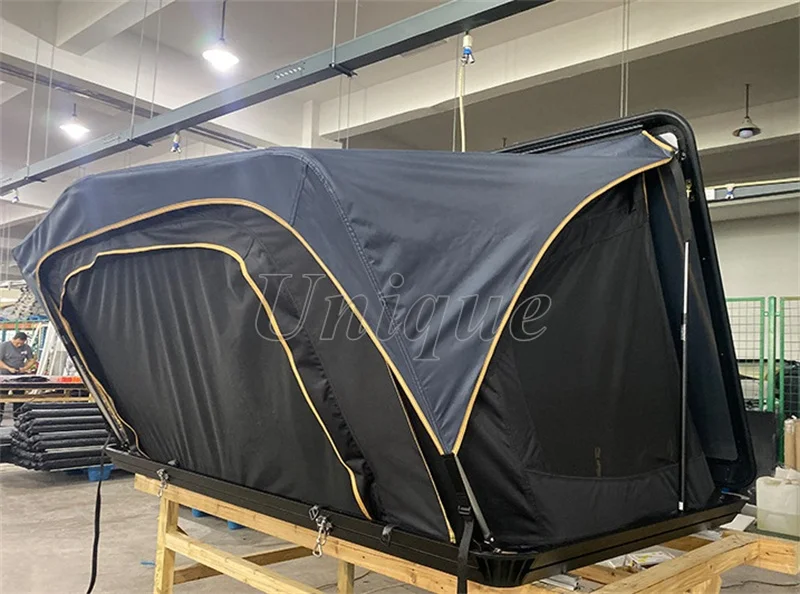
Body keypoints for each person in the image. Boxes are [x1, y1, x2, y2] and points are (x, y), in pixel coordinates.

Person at [0, 332, 37, 421]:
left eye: (21, 343)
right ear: (14, 339)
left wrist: (25, 368)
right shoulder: (4, 346)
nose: (19, 345)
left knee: (19, 398)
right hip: (5, 376)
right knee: (2, 397)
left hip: (19, 376)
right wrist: (9, 368)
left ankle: (18, 419)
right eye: (17, 343)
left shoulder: (26, 348)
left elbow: (31, 360)